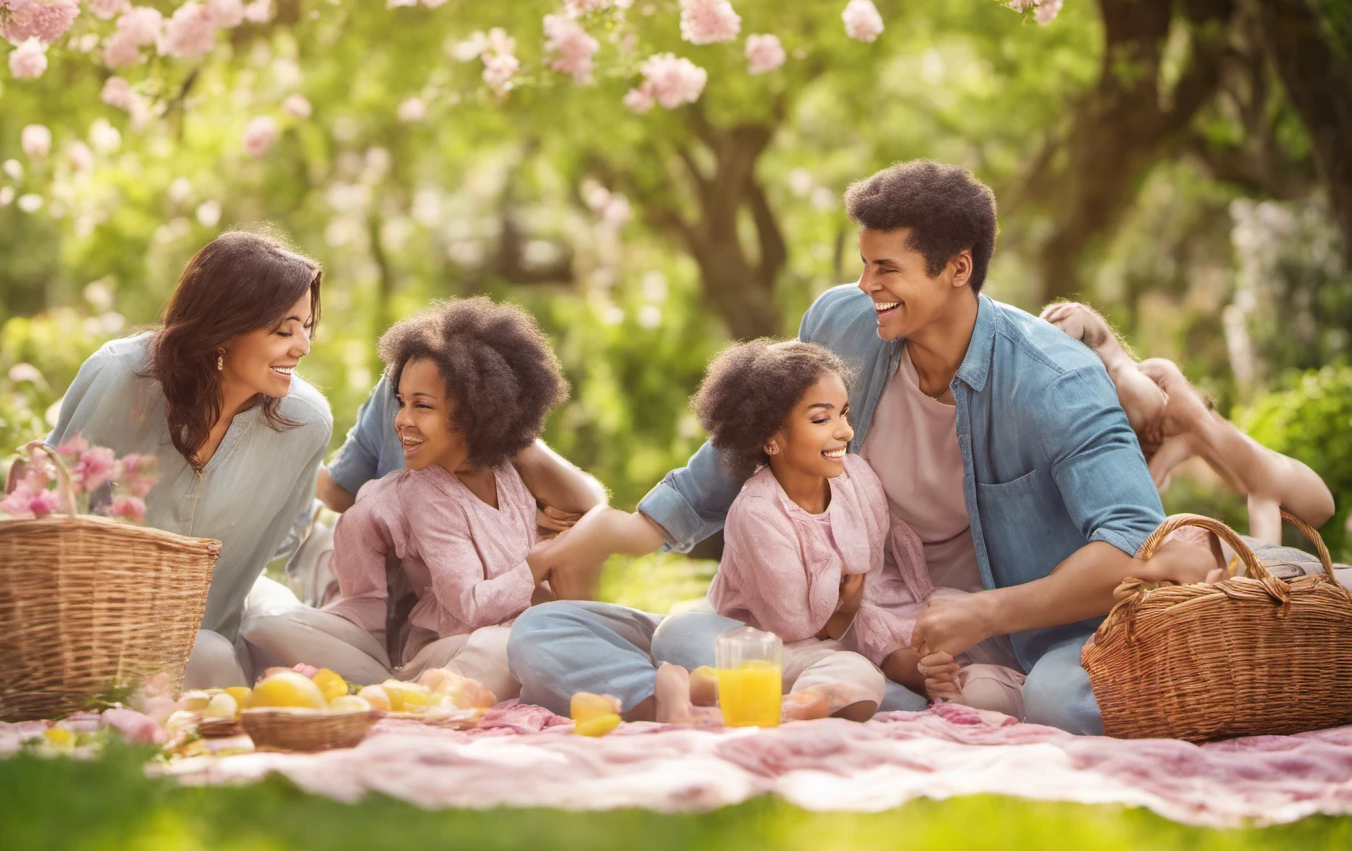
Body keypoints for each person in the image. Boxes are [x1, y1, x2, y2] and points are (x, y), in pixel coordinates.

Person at [505, 159, 1217, 735]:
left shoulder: (1055, 380)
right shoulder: (844, 322)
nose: (865, 286)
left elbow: (1133, 540)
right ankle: (800, 700)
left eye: (886, 269)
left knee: (1065, 701)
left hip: (1004, 638)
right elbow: (762, 438)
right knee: (557, 633)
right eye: (864, 265)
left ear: (958, 268)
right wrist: (630, 530)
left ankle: (817, 698)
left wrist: (987, 612)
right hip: (844, 630)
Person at [647, 340, 1025, 725]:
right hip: (775, 639)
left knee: (918, 684)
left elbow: (874, 583)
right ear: (771, 439)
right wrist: (847, 611)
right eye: (821, 419)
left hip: (841, 638)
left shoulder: (857, 478)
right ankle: (733, 693)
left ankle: (723, 693)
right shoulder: (758, 513)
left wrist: (905, 655)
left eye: (844, 414)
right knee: (857, 678)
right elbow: (794, 627)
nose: (845, 432)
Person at [240, 299, 571, 701]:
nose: (401, 419)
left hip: (499, 641)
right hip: (444, 652)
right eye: (401, 402)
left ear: (477, 413)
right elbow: (471, 606)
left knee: (536, 640)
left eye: (422, 405)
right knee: (505, 648)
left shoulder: (508, 477)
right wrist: (541, 561)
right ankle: (399, 693)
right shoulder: (424, 494)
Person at [47, 230, 332, 688]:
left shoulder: (306, 422)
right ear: (223, 329)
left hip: (216, 630)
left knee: (285, 635)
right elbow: (49, 509)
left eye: (305, 327)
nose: (303, 346)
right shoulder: (120, 377)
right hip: (90, 637)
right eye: (284, 329)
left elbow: (288, 535)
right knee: (214, 658)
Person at [1040, 302, 1335, 547]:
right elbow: (1149, 493)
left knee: (1265, 545)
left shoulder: (1172, 396)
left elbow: (1116, 355)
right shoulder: (1181, 434)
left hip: (1270, 484)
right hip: (1268, 481)